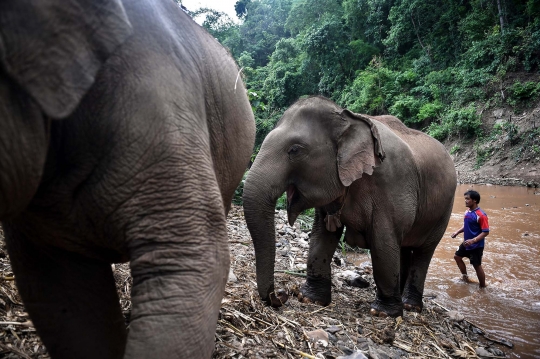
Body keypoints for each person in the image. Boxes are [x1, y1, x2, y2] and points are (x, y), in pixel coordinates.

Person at [451, 190, 489, 287]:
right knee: (457, 257)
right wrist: (457, 232)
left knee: (476, 266)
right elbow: (466, 226)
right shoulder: (467, 212)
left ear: (475, 200)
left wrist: (473, 240)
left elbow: (486, 231)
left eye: (468, 199)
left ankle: (482, 287)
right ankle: (465, 277)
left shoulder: (481, 215)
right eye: (465, 199)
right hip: (467, 243)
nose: (465, 201)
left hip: (476, 245)